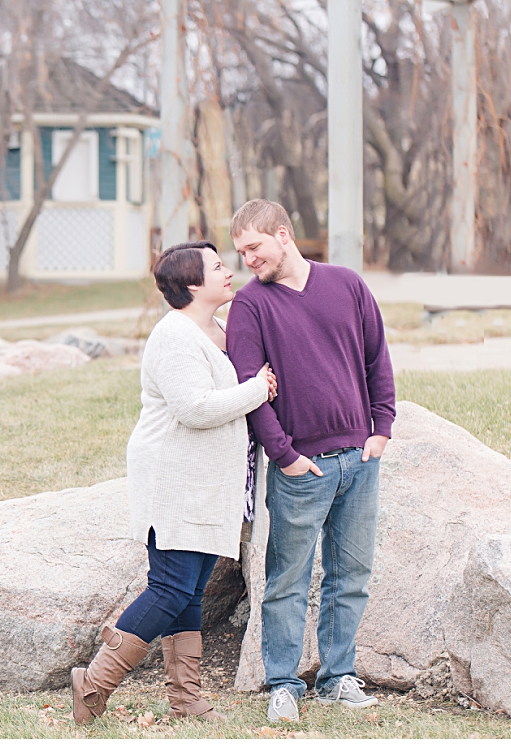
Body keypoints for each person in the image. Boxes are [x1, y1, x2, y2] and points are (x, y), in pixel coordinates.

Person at [70, 241, 277, 725]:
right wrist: (257, 389)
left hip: (206, 483)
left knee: (190, 592)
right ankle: (94, 683)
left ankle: (186, 699)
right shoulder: (174, 336)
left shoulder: (216, 331)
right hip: (174, 481)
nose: (229, 271)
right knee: (169, 589)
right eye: (218, 266)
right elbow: (193, 407)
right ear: (190, 285)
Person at [225, 199, 395, 723]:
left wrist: (382, 428)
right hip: (302, 468)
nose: (248, 260)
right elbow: (249, 389)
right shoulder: (250, 307)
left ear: (283, 234)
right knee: (287, 580)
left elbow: (376, 357)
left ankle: (337, 676)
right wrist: (287, 456)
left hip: (359, 460)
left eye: (254, 247)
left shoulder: (346, 284)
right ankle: (282, 683)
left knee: (352, 575)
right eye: (240, 253)